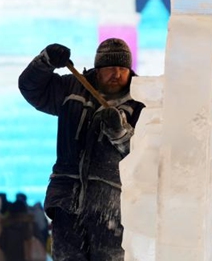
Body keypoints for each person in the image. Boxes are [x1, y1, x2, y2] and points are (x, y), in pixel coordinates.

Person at [18, 39, 145, 260]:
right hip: (67, 203)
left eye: (122, 69)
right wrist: (44, 62)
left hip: (113, 210)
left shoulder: (140, 103)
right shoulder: (72, 88)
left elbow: (144, 155)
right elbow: (31, 88)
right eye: (109, 68)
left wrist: (120, 132)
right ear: (97, 69)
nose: (116, 74)